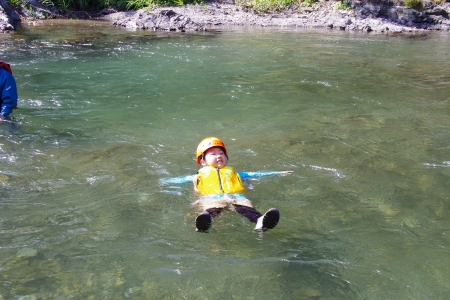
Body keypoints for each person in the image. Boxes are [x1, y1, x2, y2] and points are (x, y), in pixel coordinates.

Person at [160, 137, 293, 233]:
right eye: (213, 154)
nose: (218, 156)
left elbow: (256, 174)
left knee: (246, 209)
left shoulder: (236, 173)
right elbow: (180, 180)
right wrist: (163, 182)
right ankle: (206, 223)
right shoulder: (198, 176)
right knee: (212, 209)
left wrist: (277, 173)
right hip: (211, 197)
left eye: (221, 153)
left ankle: (260, 222)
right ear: (202, 160)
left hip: (236, 196)